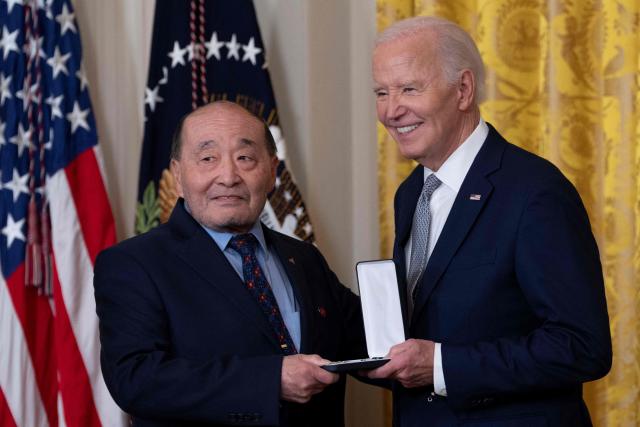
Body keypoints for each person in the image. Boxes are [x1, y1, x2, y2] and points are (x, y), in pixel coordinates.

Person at [366, 16, 612, 426]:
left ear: (463, 89)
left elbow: (582, 346)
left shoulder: (535, 191)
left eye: (410, 88)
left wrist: (442, 366)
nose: (392, 110)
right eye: (381, 92)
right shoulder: (411, 193)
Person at [93, 101, 366, 426]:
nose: (228, 176)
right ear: (178, 176)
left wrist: (435, 364)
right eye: (208, 158)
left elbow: (369, 344)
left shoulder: (305, 259)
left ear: (272, 172)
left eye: (245, 158)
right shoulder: (133, 264)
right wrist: (271, 381)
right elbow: (136, 379)